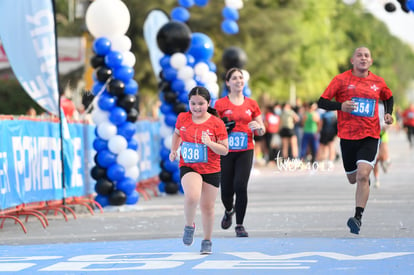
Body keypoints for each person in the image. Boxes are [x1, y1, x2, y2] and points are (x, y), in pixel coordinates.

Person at [318, 46, 394, 235]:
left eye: (366, 55)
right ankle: (359, 192)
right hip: (347, 137)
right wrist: (340, 106)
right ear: (352, 60)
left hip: (370, 135)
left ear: (371, 61)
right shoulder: (340, 80)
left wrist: (388, 114)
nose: (363, 58)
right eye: (359, 55)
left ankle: (357, 217)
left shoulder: (378, 81)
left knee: (362, 175)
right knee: (353, 178)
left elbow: (388, 97)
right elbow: (322, 102)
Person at [169, 86, 229, 254]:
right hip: (189, 165)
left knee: (207, 206)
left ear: (208, 103)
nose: (196, 107)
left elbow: (225, 150)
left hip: (211, 168)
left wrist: (210, 143)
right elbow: (177, 134)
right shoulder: (183, 118)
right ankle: (189, 225)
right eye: (193, 103)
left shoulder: (217, 123)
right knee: (192, 195)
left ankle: (207, 240)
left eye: (201, 104)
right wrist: (174, 150)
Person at [214, 67, 265, 237]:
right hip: (226, 150)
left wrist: (258, 127)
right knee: (226, 190)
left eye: (240, 78)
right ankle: (229, 210)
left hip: (246, 149)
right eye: (234, 78)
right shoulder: (220, 104)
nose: (238, 81)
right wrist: (222, 128)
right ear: (228, 82)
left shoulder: (251, 104)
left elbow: (262, 129)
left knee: (240, 186)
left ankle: (240, 225)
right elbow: (212, 127)